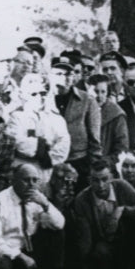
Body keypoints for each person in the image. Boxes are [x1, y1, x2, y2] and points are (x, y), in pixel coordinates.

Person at [73, 158, 135, 269]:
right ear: (89, 180)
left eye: (105, 179)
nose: (101, 185)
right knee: (101, 253)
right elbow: (84, 239)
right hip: (104, 243)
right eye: (95, 180)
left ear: (112, 177)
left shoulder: (122, 186)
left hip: (130, 239)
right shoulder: (82, 200)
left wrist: (122, 210)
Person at [0, 163, 67, 269]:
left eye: (35, 180)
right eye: (26, 180)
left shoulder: (37, 198)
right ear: (14, 181)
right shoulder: (1, 201)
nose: (31, 184)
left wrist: (45, 205)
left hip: (30, 248)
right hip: (10, 252)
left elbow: (60, 224)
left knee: (56, 232)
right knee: (3, 268)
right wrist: (20, 256)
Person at [7, 73, 71, 186]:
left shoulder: (56, 118)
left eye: (43, 93)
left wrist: (49, 158)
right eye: (34, 94)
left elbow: (64, 143)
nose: (40, 97)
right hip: (22, 171)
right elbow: (16, 142)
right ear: (25, 95)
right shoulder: (17, 116)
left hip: (47, 172)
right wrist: (41, 145)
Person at [49, 58, 102, 188]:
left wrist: (93, 168)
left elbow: (95, 139)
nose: (65, 78)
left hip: (79, 162)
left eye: (69, 74)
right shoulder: (44, 98)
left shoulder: (87, 100)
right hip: (49, 162)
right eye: (59, 74)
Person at [88, 72, 130, 165]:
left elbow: (122, 148)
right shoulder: (83, 109)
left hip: (106, 166)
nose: (99, 96)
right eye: (95, 91)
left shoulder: (116, 114)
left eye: (103, 92)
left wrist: (105, 161)